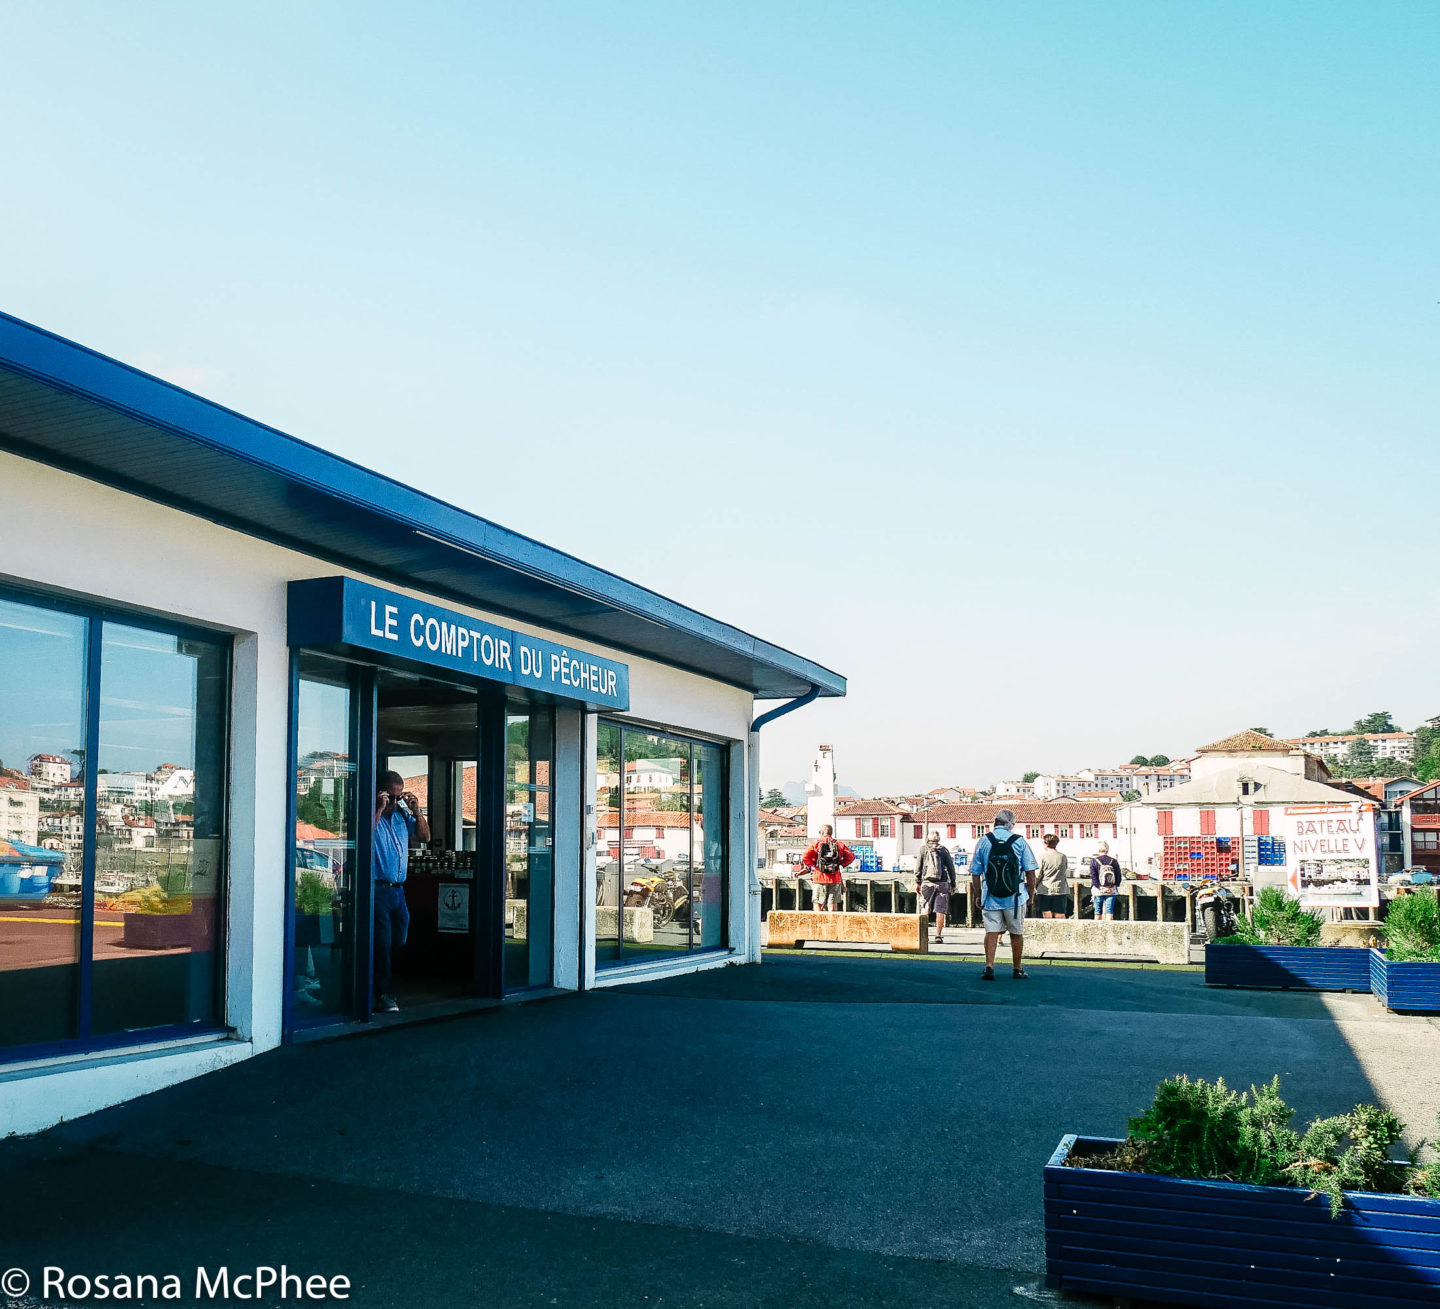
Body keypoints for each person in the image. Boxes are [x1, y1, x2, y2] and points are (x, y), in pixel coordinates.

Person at [373, 768, 430, 1012]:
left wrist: (417, 811)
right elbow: (363, 836)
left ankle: (379, 978)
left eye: (399, 797)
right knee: (383, 942)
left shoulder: (401, 816)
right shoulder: (372, 812)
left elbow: (424, 837)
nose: (394, 802)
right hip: (378, 888)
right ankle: (383, 994)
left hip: (398, 889)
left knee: (400, 937)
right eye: (391, 797)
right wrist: (378, 806)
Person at [968, 809, 1038, 980]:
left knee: (991, 930)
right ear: (1011, 824)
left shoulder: (984, 841)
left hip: (990, 895)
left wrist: (978, 895)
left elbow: (975, 873)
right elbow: (1030, 872)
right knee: (1016, 932)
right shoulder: (1019, 841)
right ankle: (1017, 968)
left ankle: (989, 966)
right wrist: (1030, 895)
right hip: (1015, 896)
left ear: (995, 822)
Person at [800, 824, 855, 911]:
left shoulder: (816, 844)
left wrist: (814, 864)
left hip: (819, 877)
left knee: (817, 903)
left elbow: (805, 856)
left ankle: (818, 922)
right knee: (832, 904)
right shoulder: (839, 844)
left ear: (822, 832)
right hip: (835, 878)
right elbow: (851, 857)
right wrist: (840, 863)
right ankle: (832, 923)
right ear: (831, 833)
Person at [915, 831, 957, 943]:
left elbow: (918, 867)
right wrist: (953, 883)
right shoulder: (943, 850)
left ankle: (924, 936)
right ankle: (938, 935)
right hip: (942, 883)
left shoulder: (923, 849)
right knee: (940, 910)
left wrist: (917, 881)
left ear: (928, 839)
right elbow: (951, 868)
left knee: (924, 908)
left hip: (927, 883)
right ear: (938, 838)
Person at [1035, 833, 1070, 918]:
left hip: (1045, 889)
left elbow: (1038, 874)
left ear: (1046, 843)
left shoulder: (1042, 857)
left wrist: (1034, 886)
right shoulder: (1063, 856)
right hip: (1060, 889)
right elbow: (1065, 870)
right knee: (1060, 914)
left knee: (1046, 913)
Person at [1090, 842, 1123, 921]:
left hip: (1098, 891)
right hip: (1111, 890)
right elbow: (1118, 876)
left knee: (1097, 913)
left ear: (1098, 850)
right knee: (1109, 912)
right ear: (1107, 850)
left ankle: (1097, 931)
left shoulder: (1094, 861)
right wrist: (1114, 887)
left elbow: (1093, 877)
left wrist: (1100, 887)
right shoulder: (1113, 861)